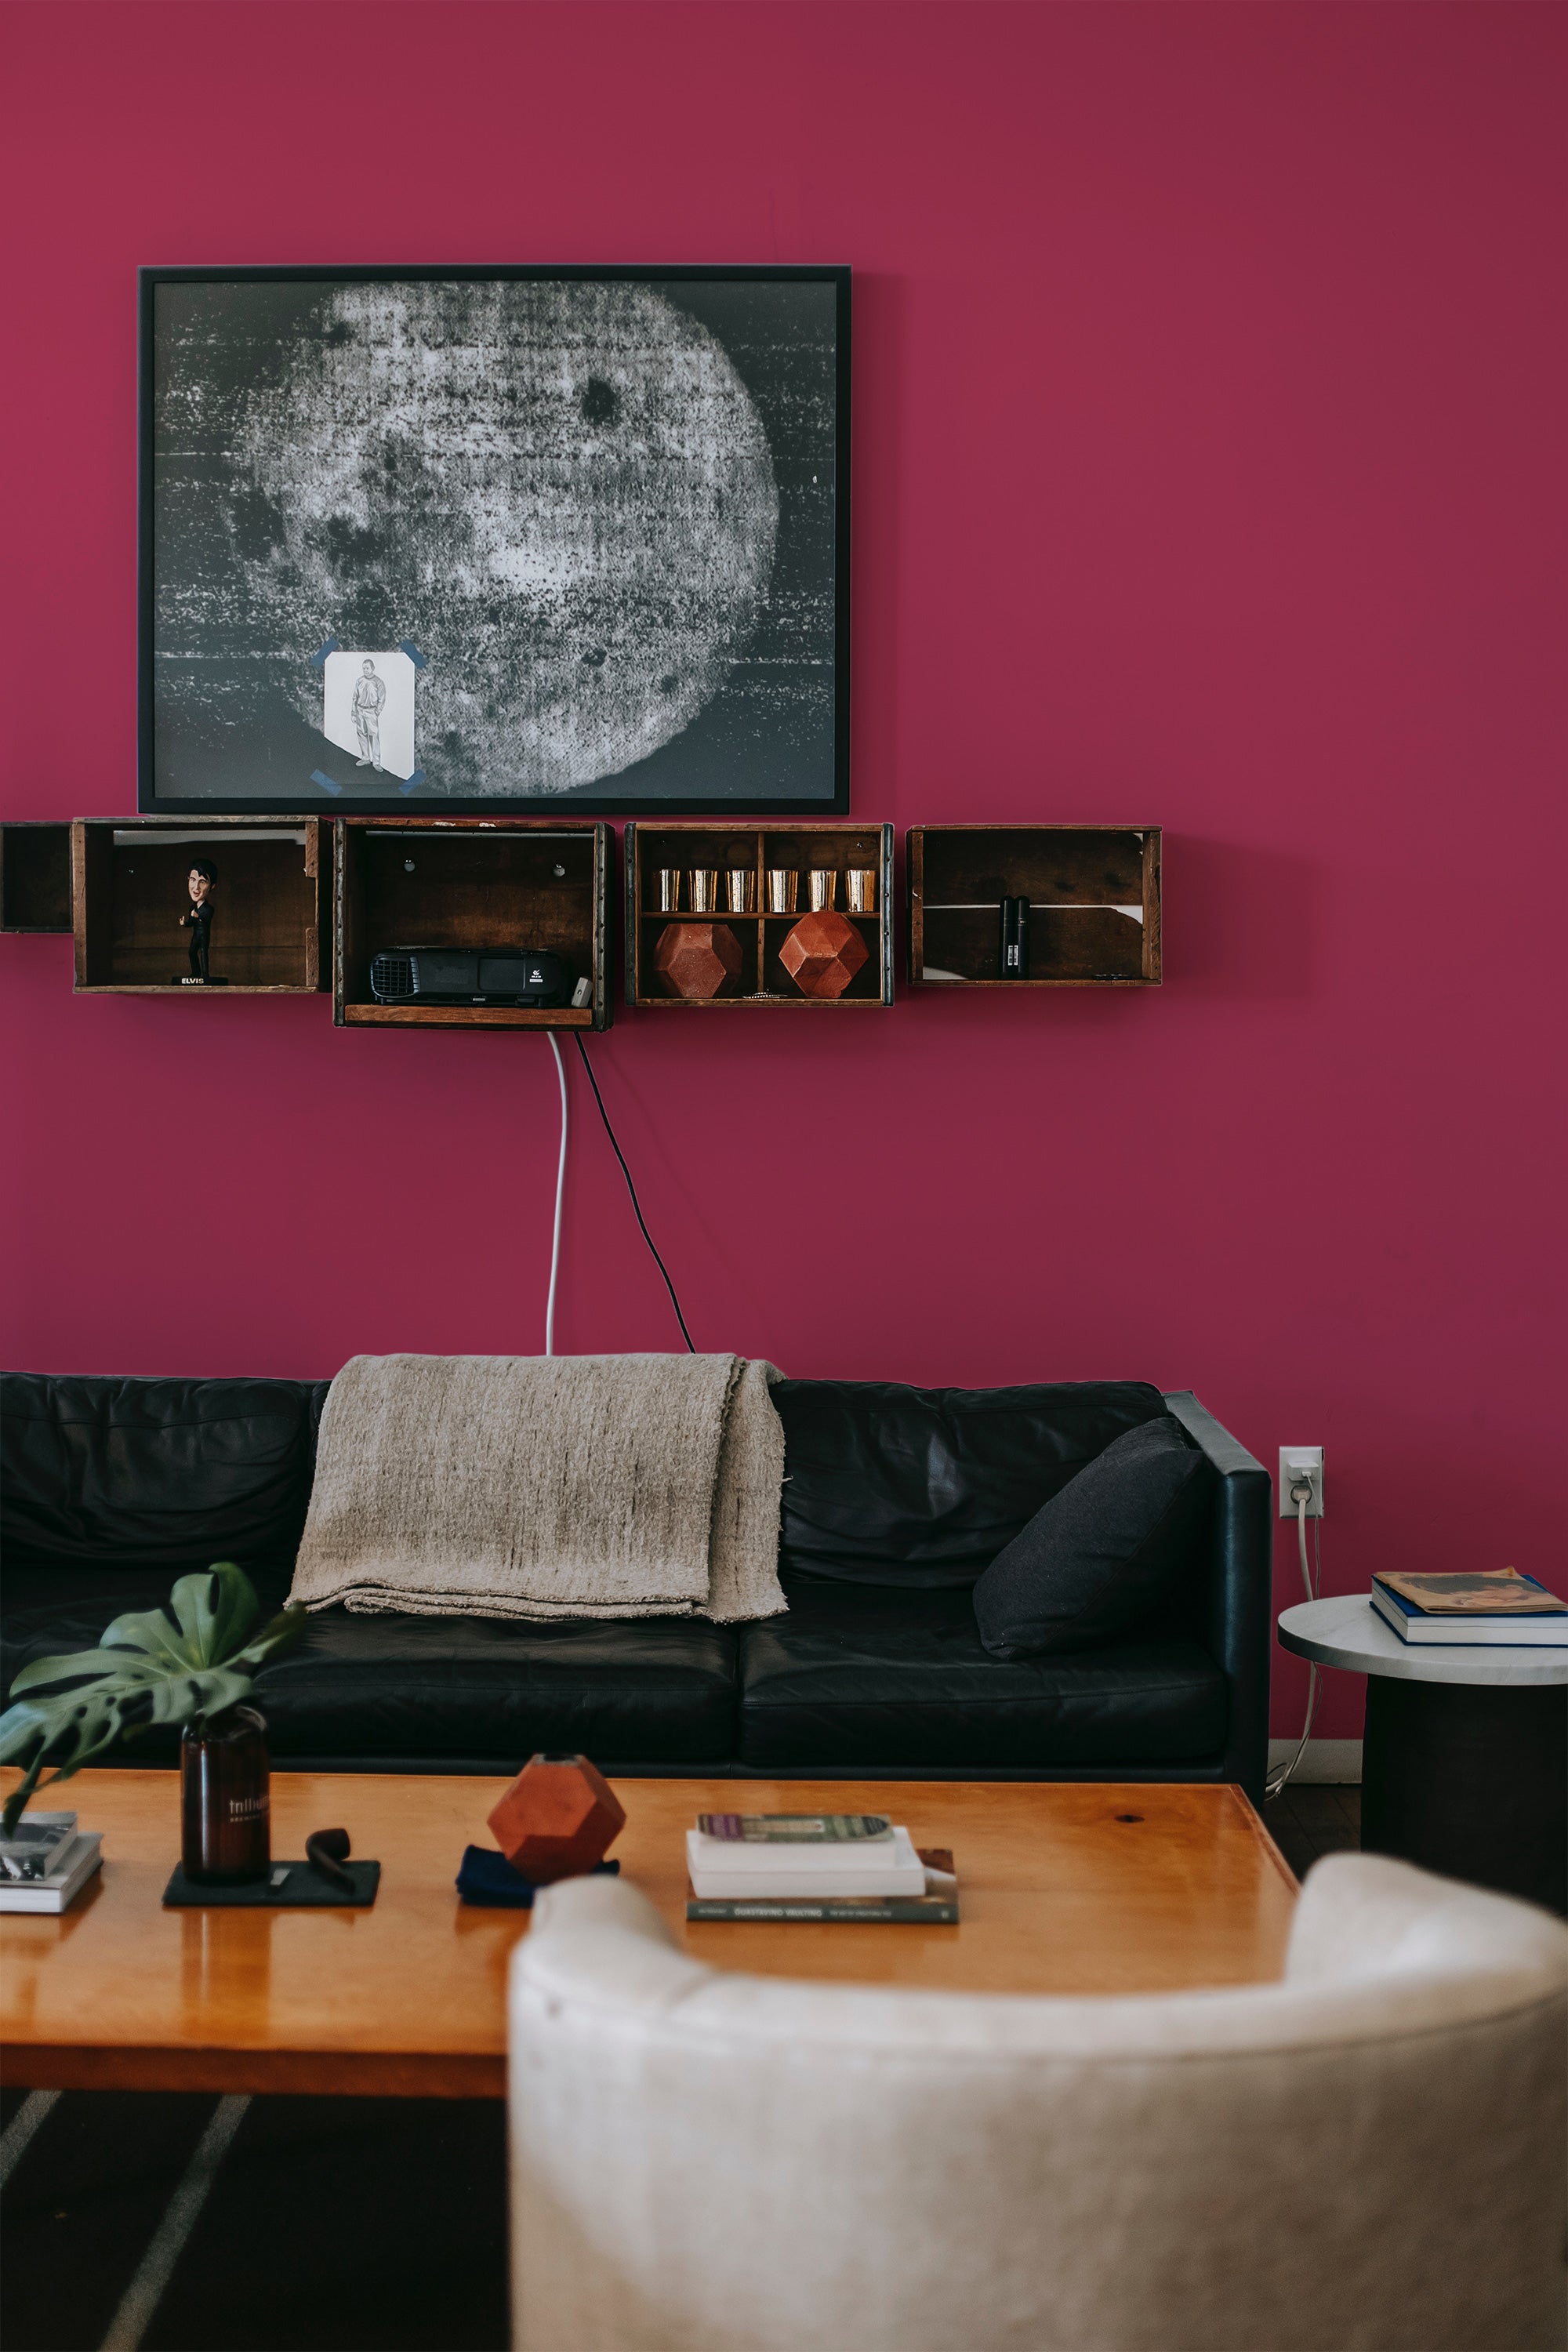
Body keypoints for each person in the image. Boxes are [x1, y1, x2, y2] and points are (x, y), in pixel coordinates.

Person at [177, 859, 217, 983]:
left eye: (203, 882)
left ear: (212, 886)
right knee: (192, 952)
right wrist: (186, 923)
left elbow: (204, 921)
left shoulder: (208, 909)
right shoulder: (193, 907)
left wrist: (197, 917)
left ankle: (205, 975)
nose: (196, 887)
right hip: (196, 935)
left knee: (203, 954)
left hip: (204, 935)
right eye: (193, 880)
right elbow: (192, 922)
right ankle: (196, 973)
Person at [353, 659, 387, 770]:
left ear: (373, 668)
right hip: (360, 710)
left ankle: (376, 762)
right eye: (364, 668)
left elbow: (382, 699)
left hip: (371, 711)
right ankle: (366, 758)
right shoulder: (359, 681)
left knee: (374, 737)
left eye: (367, 668)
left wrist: (377, 711)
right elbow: (355, 697)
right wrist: (354, 712)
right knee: (361, 734)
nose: (365, 670)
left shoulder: (378, 682)